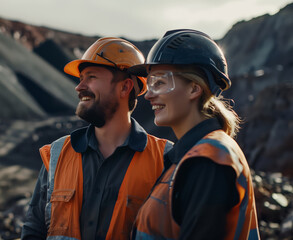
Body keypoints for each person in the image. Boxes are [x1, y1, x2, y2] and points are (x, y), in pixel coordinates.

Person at [21, 37, 173, 240]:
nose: (79, 86)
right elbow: (33, 231)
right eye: (80, 78)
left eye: (91, 77)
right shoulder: (57, 154)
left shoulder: (165, 160)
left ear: (125, 87)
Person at [128, 29, 260, 240]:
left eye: (159, 82)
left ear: (194, 89)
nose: (149, 95)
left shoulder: (208, 161)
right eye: (149, 83)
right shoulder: (190, 156)